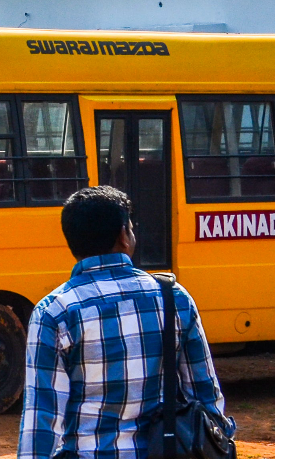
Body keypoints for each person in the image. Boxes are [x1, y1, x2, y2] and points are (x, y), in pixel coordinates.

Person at [18, 186, 233, 458]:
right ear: (123, 235)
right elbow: (206, 399)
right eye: (131, 228)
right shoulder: (173, 298)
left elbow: (42, 422)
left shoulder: (55, 312)